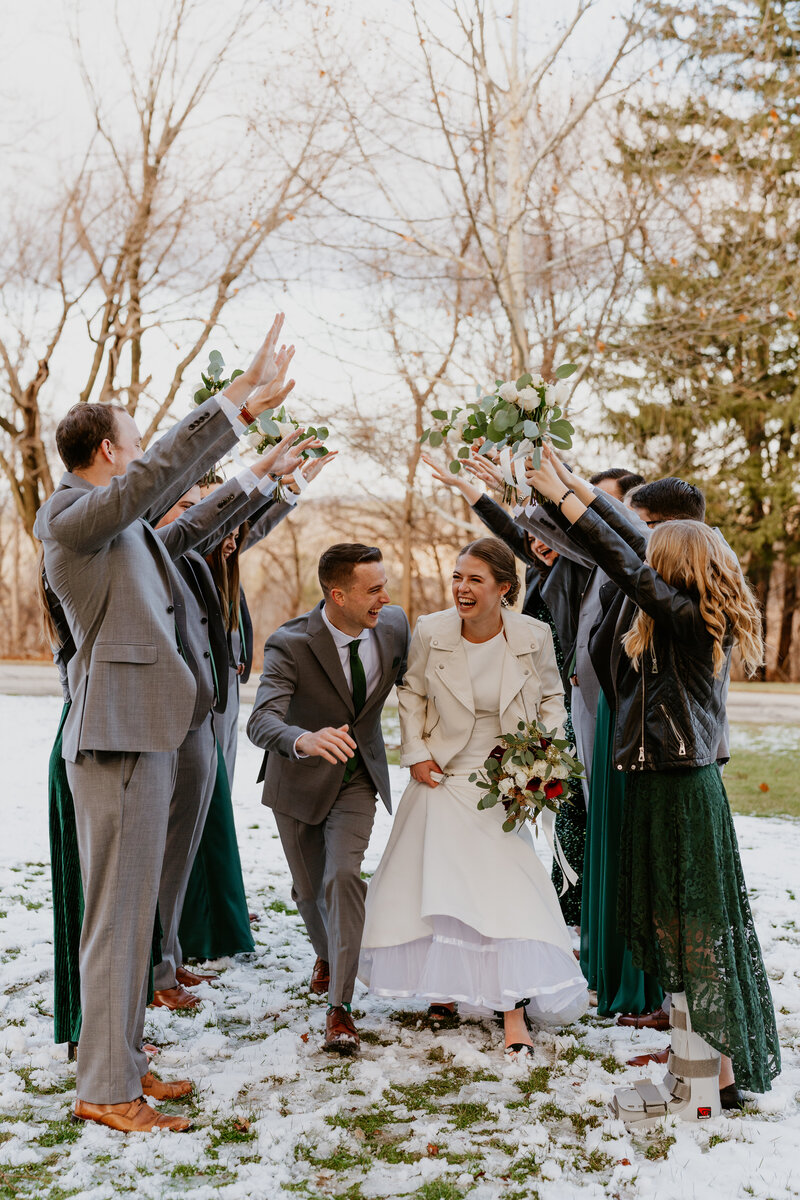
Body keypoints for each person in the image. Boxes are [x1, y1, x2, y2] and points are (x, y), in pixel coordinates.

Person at [33, 313, 295, 1133]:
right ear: (109, 453)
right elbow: (156, 483)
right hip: (114, 742)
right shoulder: (68, 516)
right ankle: (105, 1089)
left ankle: (126, 1066)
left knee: (135, 907)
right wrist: (235, 407)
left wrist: (260, 475)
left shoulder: (126, 528)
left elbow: (190, 526)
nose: (141, 448)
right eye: (134, 440)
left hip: (144, 736)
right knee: (117, 918)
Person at [527, 449, 780, 1121]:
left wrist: (573, 502)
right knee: (683, 930)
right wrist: (566, 492)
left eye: (655, 550)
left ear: (674, 566)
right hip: (665, 785)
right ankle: (709, 1076)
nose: (645, 560)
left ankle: (696, 1085)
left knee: (691, 931)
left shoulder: (692, 623)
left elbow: (624, 562)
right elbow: (628, 561)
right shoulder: (672, 624)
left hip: (678, 791)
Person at [358, 538, 588, 1058]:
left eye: (474, 579)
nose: (461, 588)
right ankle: (444, 989)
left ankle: (513, 1012)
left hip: (504, 779)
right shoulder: (432, 630)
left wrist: (538, 756)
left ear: (504, 589)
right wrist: (415, 752)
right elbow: (412, 691)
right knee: (435, 883)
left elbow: (554, 696)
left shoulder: (533, 634)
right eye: (458, 577)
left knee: (507, 888)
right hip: (442, 773)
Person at [247, 543, 410, 1055]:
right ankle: (326, 952)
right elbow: (260, 720)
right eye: (373, 589)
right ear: (338, 595)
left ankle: (339, 1007)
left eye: (384, 585)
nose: (386, 596)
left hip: (359, 776)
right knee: (308, 890)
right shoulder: (288, 644)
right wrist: (304, 739)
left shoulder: (394, 626)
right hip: (297, 781)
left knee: (342, 876)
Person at [421, 452, 588, 927]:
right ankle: (562, 901)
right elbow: (518, 535)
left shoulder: (577, 567)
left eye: (549, 533)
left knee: (567, 806)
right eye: (532, 536)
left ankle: (569, 905)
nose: (537, 543)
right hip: (527, 709)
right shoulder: (538, 570)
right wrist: (476, 490)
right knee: (550, 811)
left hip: (562, 704)